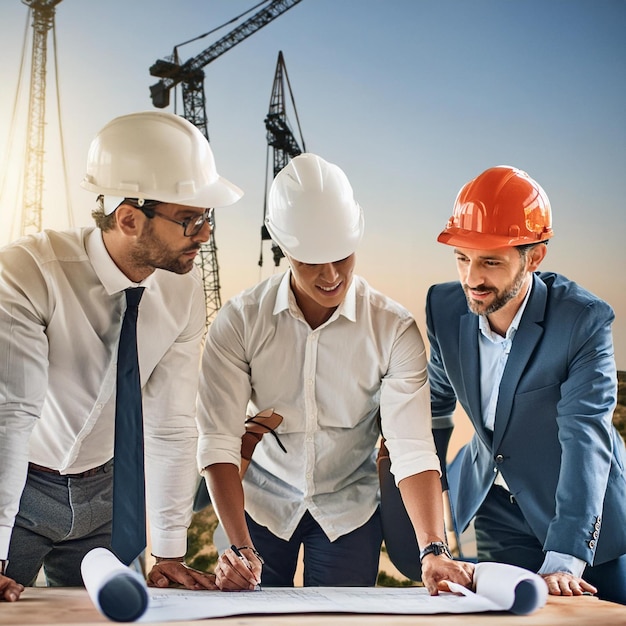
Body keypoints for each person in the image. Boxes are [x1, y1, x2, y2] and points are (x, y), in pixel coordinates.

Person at [197, 153, 474, 593]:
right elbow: (218, 441)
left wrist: (433, 549)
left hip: (349, 508)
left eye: (342, 256)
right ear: (284, 248)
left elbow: (412, 447)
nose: (331, 275)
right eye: (311, 261)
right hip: (262, 503)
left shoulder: (392, 328)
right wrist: (239, 547)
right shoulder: (240, 321)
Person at [0, 111, 243, 602]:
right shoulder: (29, 273)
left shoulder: (183, 290)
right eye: (189, 220)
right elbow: (11, 415)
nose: (205, 234)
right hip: (20, 492)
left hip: (107, 501)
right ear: (129, 219)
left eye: (208, 217)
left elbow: (171, 423)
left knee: (122, 615)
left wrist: (169, 551)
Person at [427, 165, 626, 605]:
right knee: (511, 617)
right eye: (462, 257)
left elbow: (585, 435)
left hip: (580, 512)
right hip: (494, 505)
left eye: (490, 261)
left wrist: (567, 556)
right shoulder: (443, 308)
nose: (471, 278)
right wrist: (431, 488)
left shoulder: (583, 321)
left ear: (534, 257)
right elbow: (434, 404)